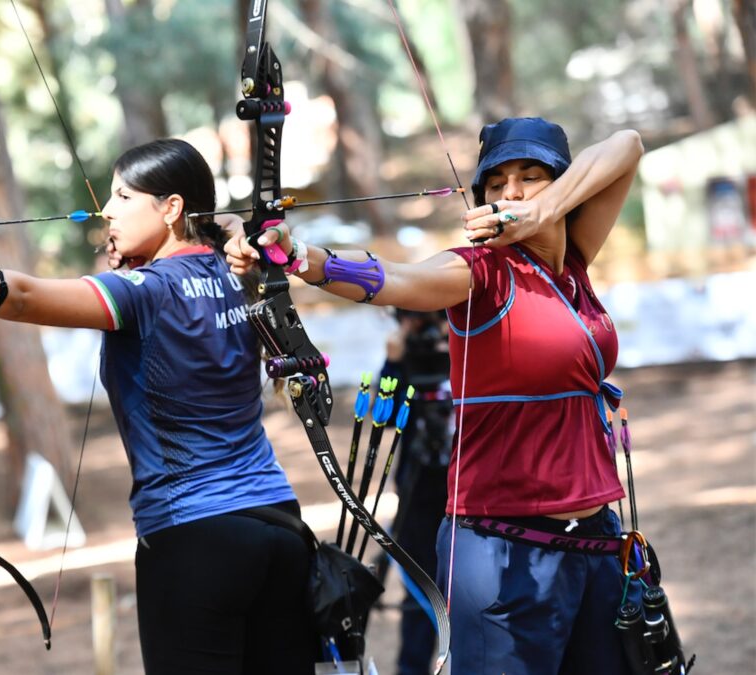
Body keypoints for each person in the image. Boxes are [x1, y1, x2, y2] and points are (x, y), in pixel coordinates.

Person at [0, 138, 319, 674]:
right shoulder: (240, 273)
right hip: (281, 526)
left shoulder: (145, 291)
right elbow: (223, 226)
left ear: (172, 207)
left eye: (123, 196)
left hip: (195, 538)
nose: (107, 210)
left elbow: (20, 296)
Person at [225, 118, 645, 675]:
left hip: (596, 544)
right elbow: (391, 278)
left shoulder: (571, 264)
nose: (511, 193)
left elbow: (626, 146)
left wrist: (542, 213)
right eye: (496, 184)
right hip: (504, 550)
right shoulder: (478, 272)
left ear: (562, 186)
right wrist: (301, 257)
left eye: (530, 176)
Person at [375, 309, 452, 675]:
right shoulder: (403, 360)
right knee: (420, 586)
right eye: (416, 320)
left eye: (436, 318)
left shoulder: (467, 355)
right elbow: (383, 415)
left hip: (463, 489)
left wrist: (455, 343)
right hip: (417, 489)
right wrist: (393, 362)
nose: (427, 331)